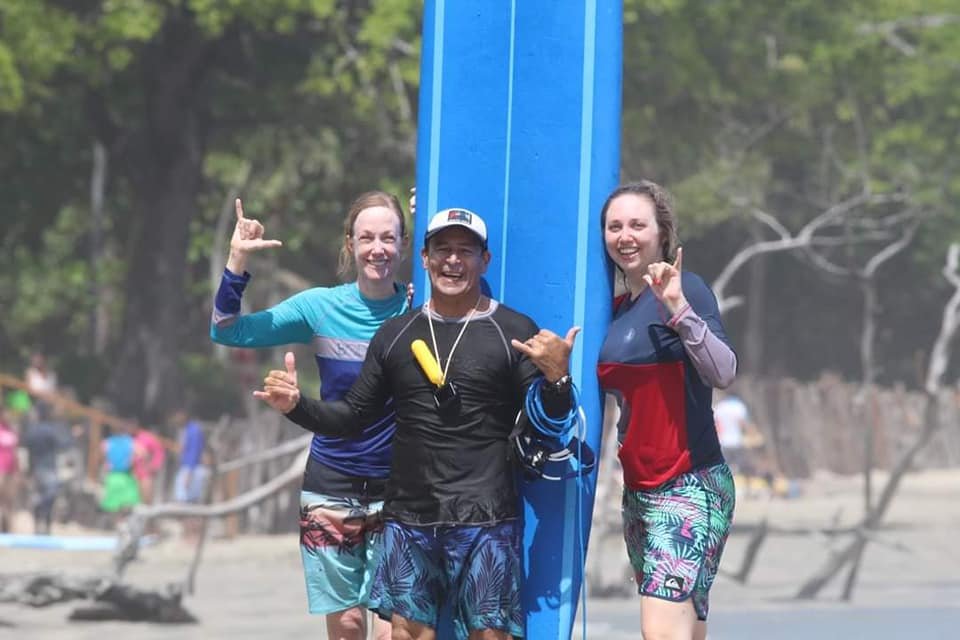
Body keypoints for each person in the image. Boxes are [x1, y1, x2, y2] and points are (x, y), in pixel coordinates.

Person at [256, 207, 578, 640]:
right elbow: (353, 417)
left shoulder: (512, 330)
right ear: (424, 258)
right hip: (409, 517)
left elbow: (547, 425)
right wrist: (297, 406)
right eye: (442, 249)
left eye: (466, 250)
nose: (453, 260)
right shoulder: (395, 334)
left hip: (486, 516)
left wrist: (557, 379)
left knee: (490, 636)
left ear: (485, 260)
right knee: (405, 635)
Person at [210, 192, 411, 640]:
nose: (377, 248)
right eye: (366, 238)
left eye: (388, 237)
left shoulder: (418, 310)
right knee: (348, 626)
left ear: (404, 244)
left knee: (391, 633)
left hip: (400, 490)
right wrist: (237, 258)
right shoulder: (320, 308)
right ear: (350, 244)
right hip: (330, 486)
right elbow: (226, 329)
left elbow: (467, 283)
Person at [595, 180, 737, 640]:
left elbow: (723, 371)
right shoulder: (614, 310)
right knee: (685, 630)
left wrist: (677, 307)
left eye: (637, 225)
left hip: (689, 483)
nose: (625, 236)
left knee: (660, 631)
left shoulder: (687, 289)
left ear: (662, 232)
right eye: (614, 226)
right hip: (639, 490)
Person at [22, 401, 71, 534]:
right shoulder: (50, 430)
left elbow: (26, 447)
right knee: (50, 496)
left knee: (39, 495)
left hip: (35, 469)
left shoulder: (32, 430)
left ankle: (38, 525)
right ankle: (46, 525)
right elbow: (63, 445)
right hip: (49, 468)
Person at [100, 426, 142, 516]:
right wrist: (133, 460)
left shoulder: (107, 442)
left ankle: (114, 520)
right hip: (126, 475)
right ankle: (122, 519)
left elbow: (103, 456)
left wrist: (106, 462)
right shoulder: (130, 442)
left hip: (112, 475)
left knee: (112, 504)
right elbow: (142, 453)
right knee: (127, 503)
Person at [133, 428, 167, 505]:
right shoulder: (130, 438)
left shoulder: (147, 437)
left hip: (145, 472)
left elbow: (159, 452)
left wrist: (153, 466)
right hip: (133, 472)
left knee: (147, 496)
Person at [0, 409, 20, 532]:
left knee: (9, 499)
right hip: (1, 469)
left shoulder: (12, 431)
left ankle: (7, 526)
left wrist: (18, 470)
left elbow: (15, 451)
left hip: (11, 470)